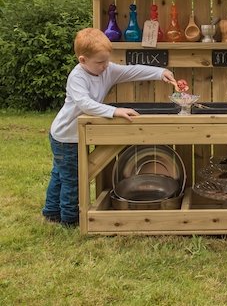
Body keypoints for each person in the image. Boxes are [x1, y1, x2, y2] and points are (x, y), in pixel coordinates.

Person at [42, 28, 176, 226]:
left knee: (61, 174)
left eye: (107, 60)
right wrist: (114, 111)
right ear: (82, 60)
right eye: (100, 62)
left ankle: (51, 212)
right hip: (66, 136)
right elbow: (85, 104)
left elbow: (132, 70)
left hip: (75, 134)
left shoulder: (106, 69)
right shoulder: (77, 77)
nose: (106, 66)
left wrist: (160, 72)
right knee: (72, 179)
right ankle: (69, 220)